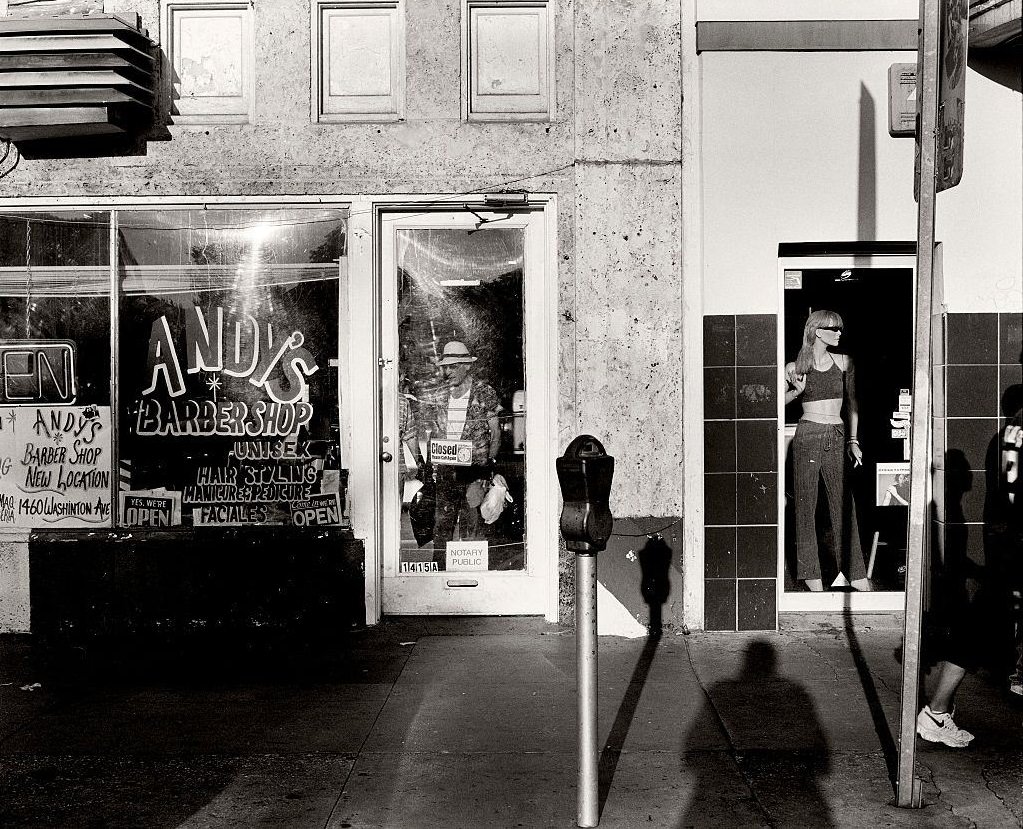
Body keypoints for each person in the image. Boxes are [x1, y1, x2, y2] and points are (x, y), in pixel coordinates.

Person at [785, 309, 870, 592]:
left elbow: (853, 405)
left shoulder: (845, 362)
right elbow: (776, 405)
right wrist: (796, 391)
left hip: (836, 433)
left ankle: (856, 574)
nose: (839, 333)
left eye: (839, 329)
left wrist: (853, 441)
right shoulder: (795, 366)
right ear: (817, 331)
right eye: (833, 328)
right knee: (805, 507)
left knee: (844, 506)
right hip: (807, 434)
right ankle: (812, 576)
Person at [428, 340, 501, 563]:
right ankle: (439, 576)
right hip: (446, 472)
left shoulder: (483, 392)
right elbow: (435, 431)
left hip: (474, 474)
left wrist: (488, 468)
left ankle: (470, 574)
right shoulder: (440, 395)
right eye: (445, 367)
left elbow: (495, 433)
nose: (448, 371)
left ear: (466, 366)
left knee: (472, 528)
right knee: (442, 528)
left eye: (453, 366)